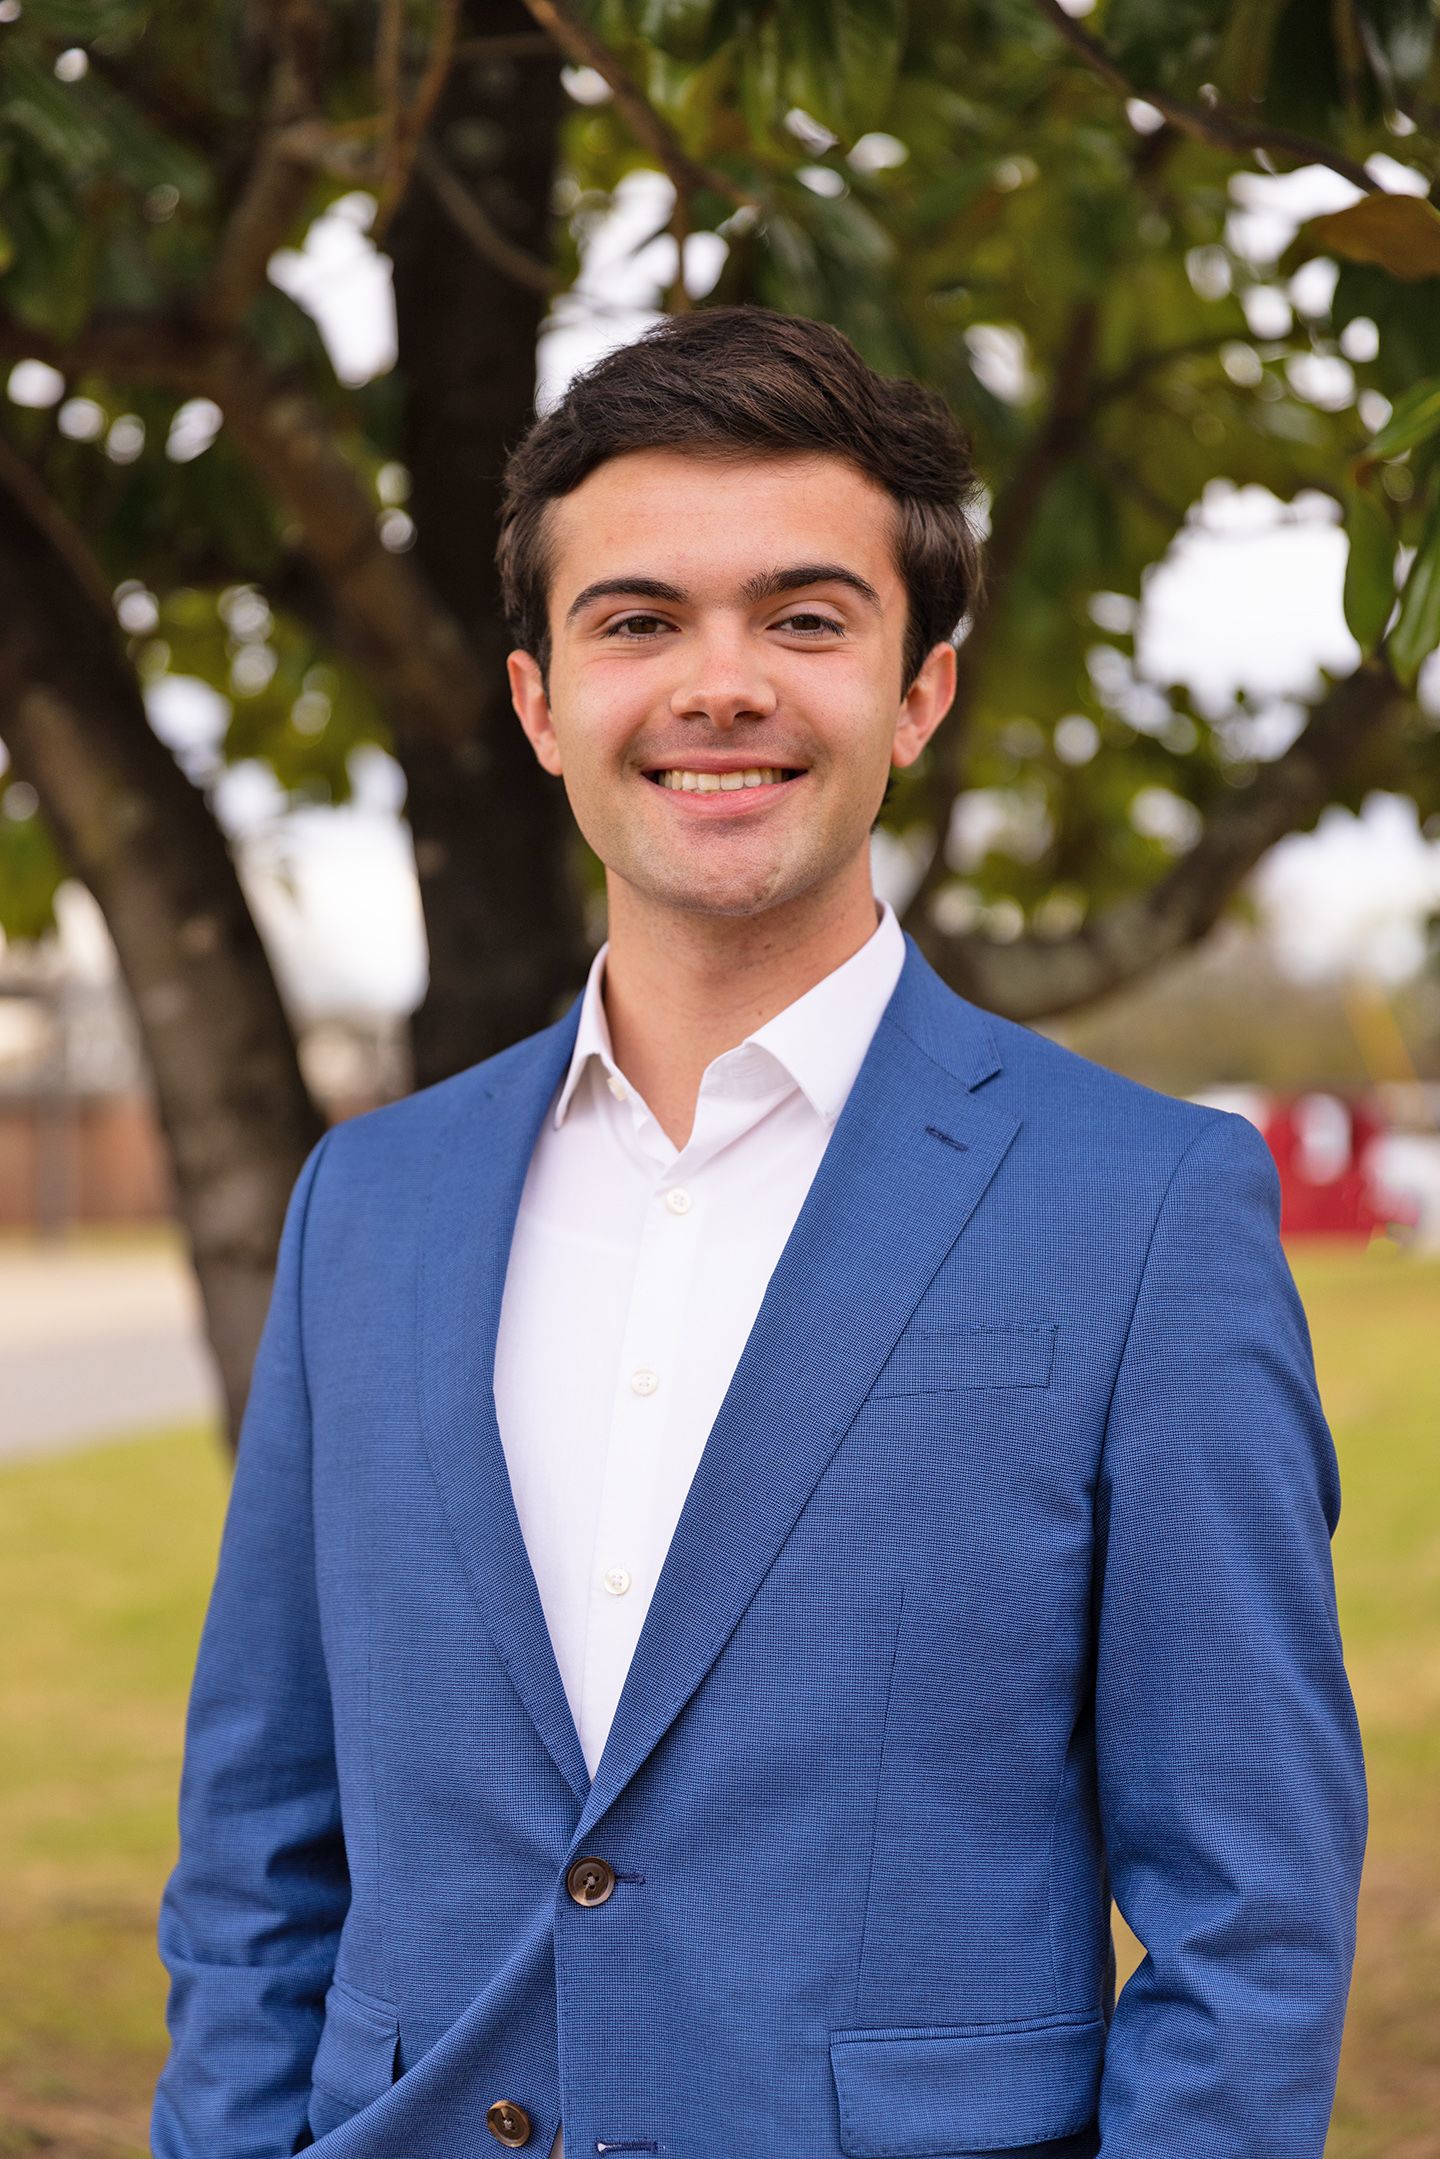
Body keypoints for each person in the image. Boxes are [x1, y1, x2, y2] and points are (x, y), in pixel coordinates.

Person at [151, 305, 1367, 2159]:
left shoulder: (1144, 1212)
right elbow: (259, 1850)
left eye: (805, 619)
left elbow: (1252, 1917)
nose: (720, 685)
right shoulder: (367, 1207)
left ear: (920, 690)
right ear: (543, 701)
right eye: (639, 621)